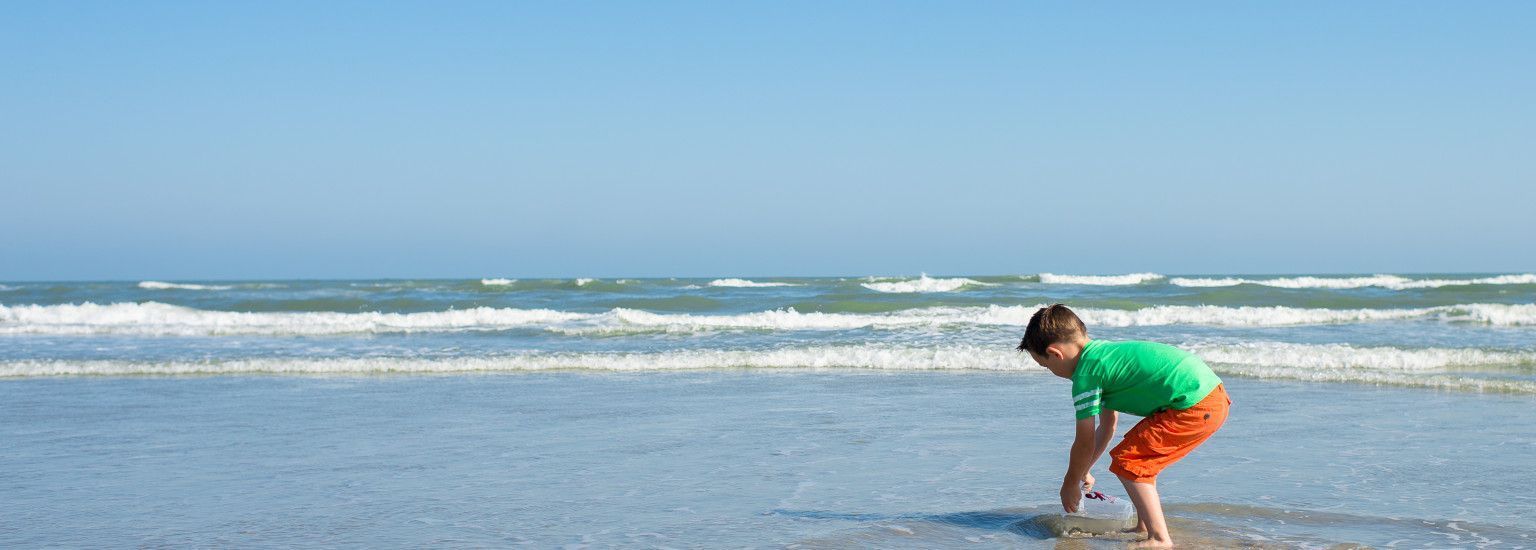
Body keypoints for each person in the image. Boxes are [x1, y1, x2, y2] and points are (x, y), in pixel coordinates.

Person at [1017, 304, 1231, 548]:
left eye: (1046, 366)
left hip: (1196, 404)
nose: (1051, 372)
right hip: (1206, 397)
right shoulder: (1101, 357)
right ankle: (1144, 526)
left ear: (1056, 354)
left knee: (1131, 462)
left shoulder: (1086, 375)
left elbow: (1084, 439)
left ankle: (1160, 539)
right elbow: (1108, 425)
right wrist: (1084, 469)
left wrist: (1069, 482)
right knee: (1138, 459)